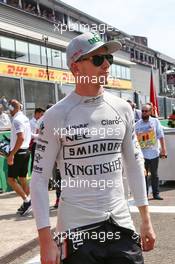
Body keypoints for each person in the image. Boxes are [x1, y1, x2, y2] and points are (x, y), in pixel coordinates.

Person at [31, 32, 155, 264]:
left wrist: (145, 218)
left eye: (108, 58)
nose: (107, 64)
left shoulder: (123, 108)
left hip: (120, 225)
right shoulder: (55, 116)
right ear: (76, 68)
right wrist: (46, 241)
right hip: (76, 230)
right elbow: (38, 180)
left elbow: (135, 164)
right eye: (97, 59)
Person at [135, 104, 167, 199]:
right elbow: (134, 139)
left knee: (154, 174)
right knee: (143, 175)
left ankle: (156, 194)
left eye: (146, 111)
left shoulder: (155, 122)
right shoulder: (137, 124)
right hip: (142, 154)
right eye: (143, 111)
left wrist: (164, 150)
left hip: (154, 153)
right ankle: (144, 195)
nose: (144, 113)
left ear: (150, 112)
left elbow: (161, 136)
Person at [7, 99, 32, 216]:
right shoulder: (25, 118)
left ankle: (27, 202)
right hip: (26, 151)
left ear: (13, 108)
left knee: (11, 180)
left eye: (10, 109)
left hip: (18, 152)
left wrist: (11, 154)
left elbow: (20, 138)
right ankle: (27, 202)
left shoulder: (17, 120)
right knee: (22, 178)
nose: (9, 112)